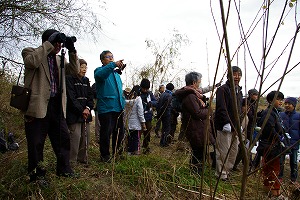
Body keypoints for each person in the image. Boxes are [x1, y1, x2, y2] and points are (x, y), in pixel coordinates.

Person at [22, 29, 80, 184]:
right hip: (37, 106)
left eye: (60, 43)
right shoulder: (31, 52)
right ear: (47, 41)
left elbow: (74, 71)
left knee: (63, 138)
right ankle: (37, 175)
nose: (59, 46)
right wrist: (49, 44)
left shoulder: (59, 60)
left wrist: (72, 50)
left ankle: (64, 169)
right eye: (56, 42)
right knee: (36, 142)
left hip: (56, 106)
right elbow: (31, 62)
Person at [175, 72, 214, 174]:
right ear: (194, 82)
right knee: (198, 153)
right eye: (199, 82)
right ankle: (195, 173)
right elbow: (197, 113)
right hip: (195, 129)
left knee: (199, 152)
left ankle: (196, 172)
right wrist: (208, 110)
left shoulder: (194, 94)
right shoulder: (190, 96)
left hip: (197, 128)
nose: (200, 84)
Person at [94, 50, 126, 162]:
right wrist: (113, 65)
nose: (111, 58)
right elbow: (100, 75)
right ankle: (105, 156)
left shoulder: (116, 74)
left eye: (112, 56)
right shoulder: (99, 71)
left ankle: (117, 153)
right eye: (108, 57)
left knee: (119, 133)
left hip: (118, 107)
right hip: (106, 108)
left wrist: (123, 103)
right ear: (102, 60)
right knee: (106, 133)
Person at [214, 66, 243, 180]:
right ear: (229, 76)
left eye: (239, 74)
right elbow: (221, 107)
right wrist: (226, 122)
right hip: (224, 126)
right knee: (223, 150)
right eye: (234, 74)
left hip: (235, 127)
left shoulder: (239, 91)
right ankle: (221, 174)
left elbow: (239, 110)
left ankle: (227, 170)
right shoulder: (223, 89)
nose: (237, 77)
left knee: (233, 151)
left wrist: (239, 124)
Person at [256, 91, 285, 197]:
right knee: (274, 168)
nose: (281, 102)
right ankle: (275, 193)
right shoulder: (269, 113)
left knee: (269, 168)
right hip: (271, 145)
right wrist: (279, 138)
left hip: (271, 145)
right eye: (278, 99)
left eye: (282, 99)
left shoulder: (275, 112)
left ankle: (268, 190)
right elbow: (269, 129)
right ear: (270, 101)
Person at [66, 59, 94, 165]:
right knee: (75, 136)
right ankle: (71, 160)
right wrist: (81, 109)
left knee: (85, 135)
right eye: (82, 67)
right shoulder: (69, 79)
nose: (84, 69)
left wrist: (88, 108)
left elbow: (90, 96)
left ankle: (82, 158)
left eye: (86, 67)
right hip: (74, 113)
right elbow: (71, 97)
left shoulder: (86, 81)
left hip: (86, 113)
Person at [232, 88, 258, 171]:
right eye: (255, 94)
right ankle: (235, 164)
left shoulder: (253, 104)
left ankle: (240, 163)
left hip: (248, 129)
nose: (256, 96)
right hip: (244, 130)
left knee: (245, 148)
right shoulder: (246, 103)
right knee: (242, 148)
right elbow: (250, 118)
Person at [279, 97, 300, 184]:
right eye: (286, 104)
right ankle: (279, 176)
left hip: (294, 142)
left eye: (289, 104)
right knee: (280, 160)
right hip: (283, 142)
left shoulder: (298, 116)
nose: (287, 105)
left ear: (294, 105)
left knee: (294, 162)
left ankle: (293, 178)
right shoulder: (281, 115)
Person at [124, 85, 146, 155]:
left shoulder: (127, 100)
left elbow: (124, 113)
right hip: (136, 124)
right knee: (136, 138)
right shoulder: (138, 99)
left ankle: (129, 152)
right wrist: (143, 123)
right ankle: (136, 152)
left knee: (130, 138)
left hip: (128, 123)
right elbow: (140, 112)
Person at [140, 78, 157, 154]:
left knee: (147, 133)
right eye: (144, 89)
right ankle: (135, 147)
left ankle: (146, 147)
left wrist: (151, 103)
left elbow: (156, 102)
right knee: (137, 133)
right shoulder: (137, 93)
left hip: (148, 117)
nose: (145, 90)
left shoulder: (150, 94)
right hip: (139, 117)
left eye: (147, 89)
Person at [157, 83, 174, 147]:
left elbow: (158, 104)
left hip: (162, 114)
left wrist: (159, 114)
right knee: (167, 129)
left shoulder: (162, 94)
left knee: (163, 128)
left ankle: (162, 141)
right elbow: (166, 106)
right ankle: (164, 143)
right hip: (167, 114)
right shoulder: (169, 95)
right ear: (172, 89)